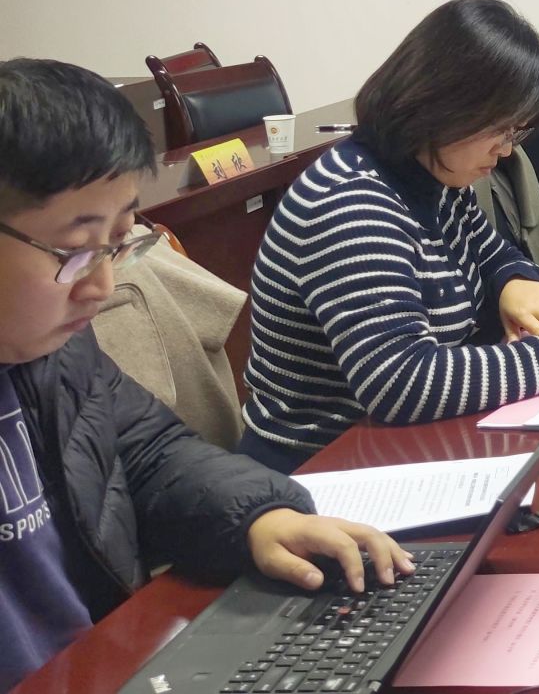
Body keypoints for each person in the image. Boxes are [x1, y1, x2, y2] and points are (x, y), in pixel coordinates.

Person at [0, 59, 411, 689]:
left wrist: (258, 519)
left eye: (117, 243)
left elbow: (145, 452)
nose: (102, 286)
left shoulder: (52, 352)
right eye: (76, 252)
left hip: (110, 663)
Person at [241, 0, 539, 472]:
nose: (505, 151)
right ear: (446, 108)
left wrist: (514, 279)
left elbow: (489, 250)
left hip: (403, 445)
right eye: (500, 131)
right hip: (322, 467)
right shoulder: (352, 204)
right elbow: (402, 381)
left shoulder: (431, 176)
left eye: (515, 134)